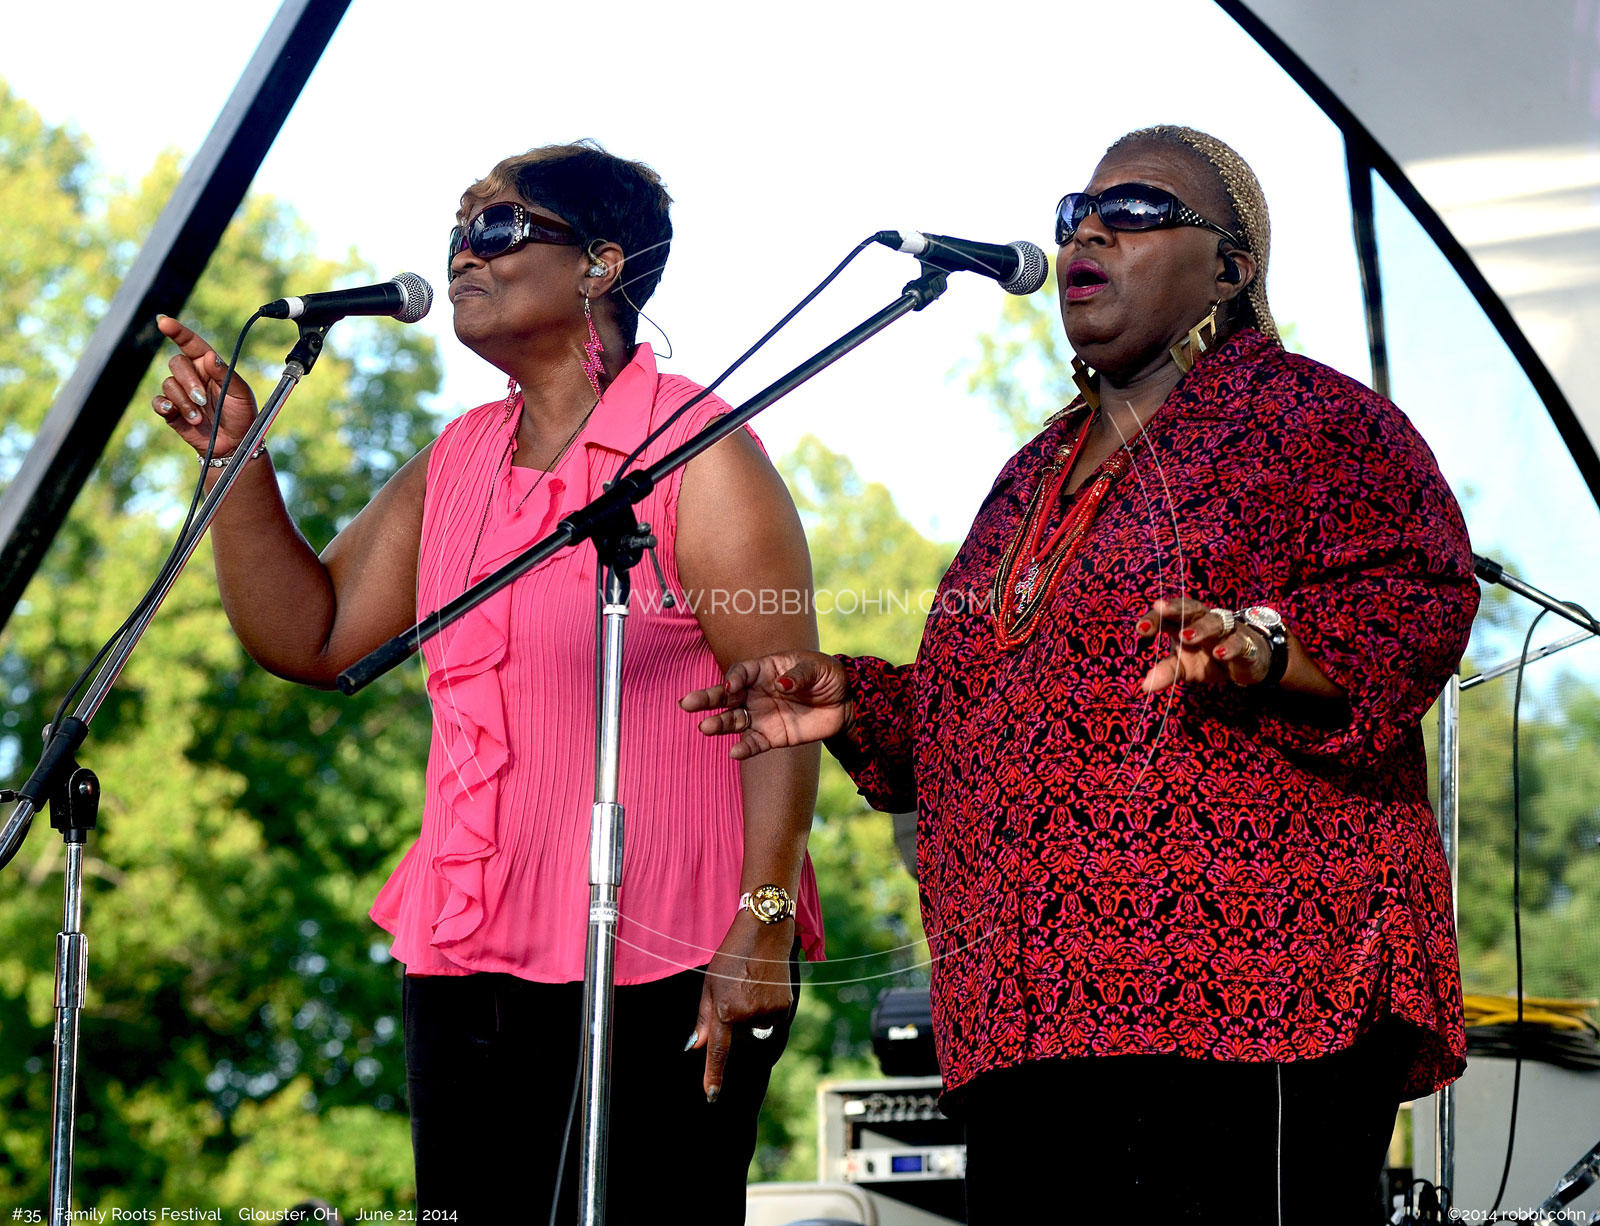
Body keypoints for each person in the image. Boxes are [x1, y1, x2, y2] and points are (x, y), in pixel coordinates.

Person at [683, 125, 1478, 1224]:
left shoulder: (1317, 421)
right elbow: (988, 704)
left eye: (1135, 211)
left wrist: (1260, 650)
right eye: (1075, 213)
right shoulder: (1028, 474)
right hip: (1031, 1014)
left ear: (1230, 269)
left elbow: (1413, 600)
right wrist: (858, 699)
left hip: (1251, 997)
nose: (1087, 231)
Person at [154, 141, 823, 1223]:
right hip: (466, 954)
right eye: (458, 229)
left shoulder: (698, 453)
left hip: (671, 947)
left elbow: (784, 707)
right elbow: (313, 635)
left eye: (499, 226)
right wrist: (237, 460)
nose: (464, 250)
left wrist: (765, 923)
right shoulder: (457, 458)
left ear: (601, 263)